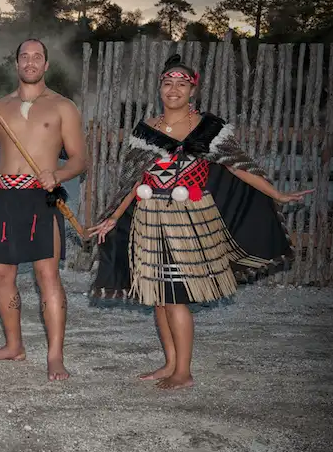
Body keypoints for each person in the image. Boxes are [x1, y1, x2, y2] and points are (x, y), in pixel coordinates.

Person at [88, 54, 309, 390]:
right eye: (167, 82)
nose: (173, 89)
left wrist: (276, 194)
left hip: (190, 219)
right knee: (159, 295)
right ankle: (170, 363)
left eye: (181, 83)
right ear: (160, 87)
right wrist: (114, 218)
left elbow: (238, 167)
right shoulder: (146, 129)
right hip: (150, 218)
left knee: (175, 295)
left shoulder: (210, 128)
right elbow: (135, 181)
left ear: (193, 89)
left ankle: (184, 372)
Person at [0, 39, 88, 381]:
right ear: (16, 63)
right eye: (24, 56)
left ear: (46, 64)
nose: (30, 62)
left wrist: (58, 174)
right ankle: (14, 346)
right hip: (4, 196)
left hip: (40, 198)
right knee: (1, 275)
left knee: (47, 275)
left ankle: (55, 356)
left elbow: (80, 158)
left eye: (37, 57)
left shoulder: (63, 107)